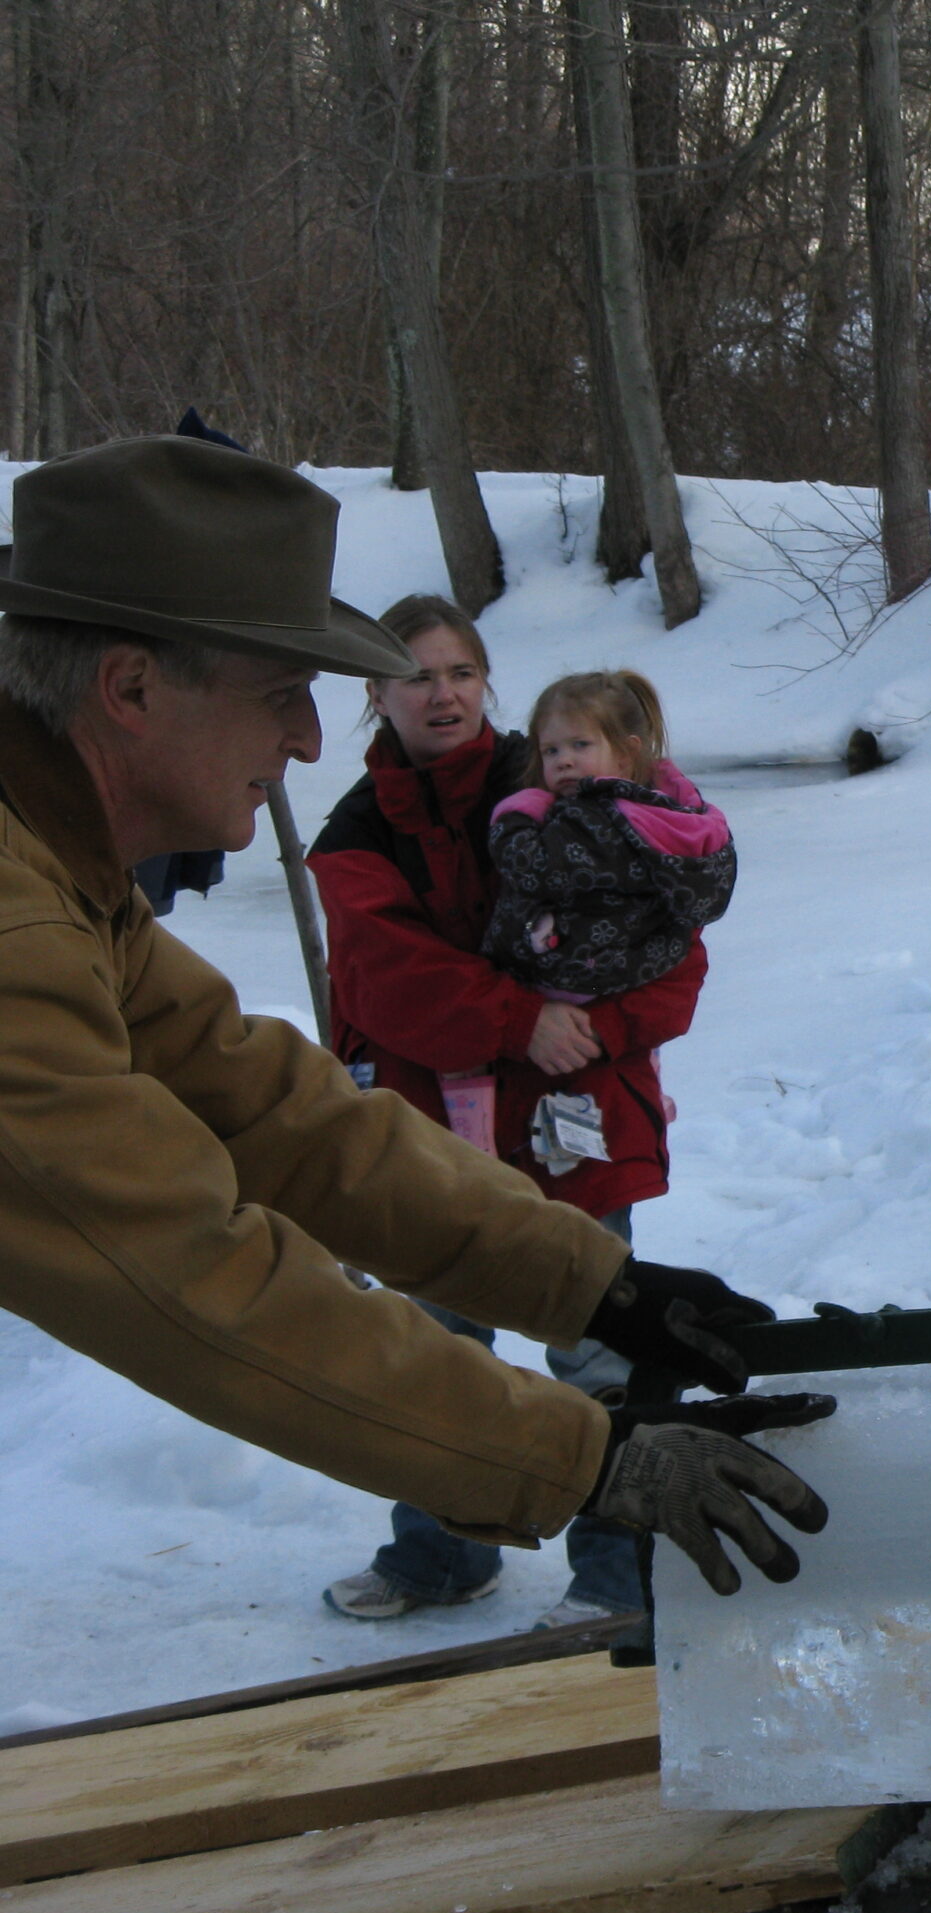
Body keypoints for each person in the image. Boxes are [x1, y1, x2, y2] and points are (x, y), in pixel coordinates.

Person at [0, 434, 831, 1616]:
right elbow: (184, 1274)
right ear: (131, 690)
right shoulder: (16, 931)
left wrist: (594, 1288)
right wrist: (586, 1459)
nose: (301, 739)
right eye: (283, 693)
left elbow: (276, 1113)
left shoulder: (62, 876)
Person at [307, 612, 719, 1629]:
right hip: (431, 1133)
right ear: (377, 695)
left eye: (461, 673)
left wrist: (585, 1030)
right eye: (414, 678)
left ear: (488, 685)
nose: (440, 695)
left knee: (598, 1348)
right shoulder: (356, 834)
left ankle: (620, 1577)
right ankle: (442, 1552)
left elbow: (672, 957)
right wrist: (519, 1019)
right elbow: (383, 978)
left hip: (574, 1128)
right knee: (433, 1345)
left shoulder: (567, 790)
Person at [485, 670, 736, 1002]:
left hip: (573, 979)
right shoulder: (657, 812)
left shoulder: (598, 817)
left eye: (580, 745)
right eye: (551, 751)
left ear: (625, 754)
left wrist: (516, 815)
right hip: (626, 975)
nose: (564, 761)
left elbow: (534, 868)